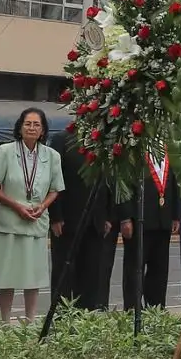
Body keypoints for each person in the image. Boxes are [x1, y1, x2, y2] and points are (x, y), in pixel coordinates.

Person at [0, 109, 63, 324]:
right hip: (9, 218)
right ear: (20, 127)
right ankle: (4, 321)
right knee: (6, 273)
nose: (31, 128)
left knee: (33, 274)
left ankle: (30, 320)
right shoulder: (5, 151)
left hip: (36, 220)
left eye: (36, 125)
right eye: (27, 124)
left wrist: (43, 206)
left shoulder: (52, 155)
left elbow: (56, 188)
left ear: (43, 130)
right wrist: (17, 206)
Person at [49, 128, 112, 309]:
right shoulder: (62, 139)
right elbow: (54, 178)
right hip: (67, 219)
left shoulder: (104, 139)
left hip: (96, 220)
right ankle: (62, 316)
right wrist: (56, 216)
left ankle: (88, 316)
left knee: (92, 272)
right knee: (64, 273)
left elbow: (109, 178)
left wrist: (108, 215)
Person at [119, 149, 179, 311]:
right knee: (134, 269)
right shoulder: (134, 148)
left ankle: (156, 309)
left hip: (162, 219)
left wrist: (175, 214)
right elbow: (123, 183)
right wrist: (125, 217)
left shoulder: (168, 149)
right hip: (139, 220)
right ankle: (132, 310)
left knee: (159, 270)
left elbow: (174, 181)